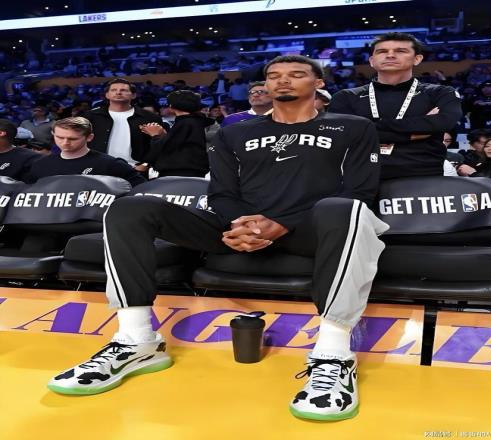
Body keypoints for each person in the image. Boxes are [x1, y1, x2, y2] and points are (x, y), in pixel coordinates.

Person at [48, 55, 389, 423]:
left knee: (348, 210)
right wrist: (242, 223)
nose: (283, 81)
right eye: (274, 76)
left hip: (312, 230)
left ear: (319, 83)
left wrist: (282, 223)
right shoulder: (233, 131)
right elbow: (222, 194)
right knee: (130, 207)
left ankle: (333, 355)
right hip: (239, 227)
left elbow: (360, 189)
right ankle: (136, 339)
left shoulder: (353, 127)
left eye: (296, 74)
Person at [329, 32, 463, 180]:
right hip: (362, 177)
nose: (390, 55)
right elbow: (343, 134)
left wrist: (369, 127)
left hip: (423, 176)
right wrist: (412, 133)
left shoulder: (440, 93)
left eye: (401, 51)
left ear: (417, 59)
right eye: (382, 51)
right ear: (372, 61)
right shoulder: (346, 96)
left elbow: (444, 122)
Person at [28, 117, 145, 187]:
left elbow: (140, 189)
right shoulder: (41, 164)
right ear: (53, 134)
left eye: (73, 139)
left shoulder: (110, 164)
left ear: (89, 137)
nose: (65, 142)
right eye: (59, 137)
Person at [84, 79, 162, 175]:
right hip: (98, 168)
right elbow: (80, 141)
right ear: (107, 95)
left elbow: (158, 145)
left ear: (133, 95)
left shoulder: (149, 117)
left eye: (123, 90)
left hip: (136, 170)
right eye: (114, 90)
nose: (118, 92)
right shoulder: (90, 116)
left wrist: (146, 164)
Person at [139, 90, 214, 177]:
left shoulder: (185, 122)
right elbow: (179, 143)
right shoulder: (193, 121)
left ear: (171, 106)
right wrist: (163, 135)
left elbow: (166, 148)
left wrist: (155, 135)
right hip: (189, 172)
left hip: (181, 174)